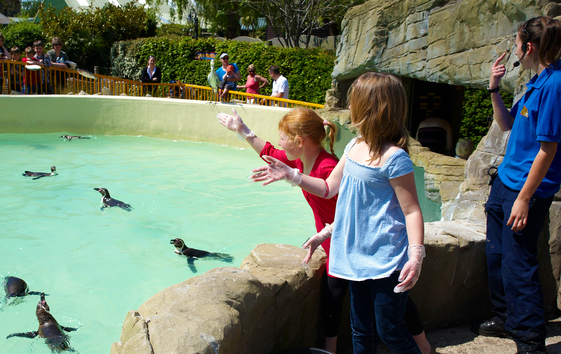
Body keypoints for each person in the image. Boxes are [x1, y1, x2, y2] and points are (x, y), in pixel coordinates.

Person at [218, 105, 432, 354]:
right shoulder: (301, 160)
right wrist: (243, 130)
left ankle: (421, 346)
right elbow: (270, 153)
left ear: (299, 140)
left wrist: (415, 254)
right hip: (335, 241)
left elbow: (353, 208)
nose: (279, 142)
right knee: (364, 319)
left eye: (283, 137)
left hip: (349, 242)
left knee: (387, 311)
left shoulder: (327, 167)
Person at [472, 16, 561, 354]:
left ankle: (529, 341)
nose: (514, 50)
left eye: (517, 43)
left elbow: (548, 149)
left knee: (518, 264)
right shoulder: (535, 82)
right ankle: (505, 317)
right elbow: (507, 124)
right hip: (505, 182)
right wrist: (494, 88)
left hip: (526, 191)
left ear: (530, 47)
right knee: (497, 255)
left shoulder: (555, 85)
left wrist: (524, 198)